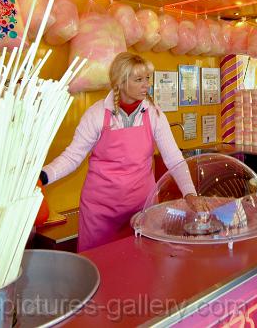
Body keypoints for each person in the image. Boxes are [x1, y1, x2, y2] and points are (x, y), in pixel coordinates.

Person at [40, 52, 202, 251]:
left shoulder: (154, 114)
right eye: (139, 80)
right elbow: (73, 157)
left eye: (147, 78)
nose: (147, 85)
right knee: (102, 267)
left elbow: (173, 157)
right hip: (100, 213)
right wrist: (43, 176)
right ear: (120, 82)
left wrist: (190, 193)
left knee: (141, 266)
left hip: (142, 208)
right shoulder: (97, 114)